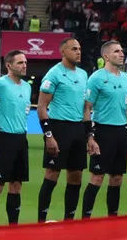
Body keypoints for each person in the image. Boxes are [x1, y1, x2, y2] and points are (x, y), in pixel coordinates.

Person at [36, 37, 88, 222]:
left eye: (79, 48)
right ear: (63, 52)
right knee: (52, 174)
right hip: (59, 128)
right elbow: (42, 107)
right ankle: (41, 220)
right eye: (74, 48)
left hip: (78, 129)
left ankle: (69, 221)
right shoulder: (53, 74)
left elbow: (85, 108)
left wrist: (89, 134)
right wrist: (48, 135)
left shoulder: (83, 75)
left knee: (76, 177)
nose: (78, 51)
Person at [82, 40, 127, 219]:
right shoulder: (96, 78)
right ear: (106, 56)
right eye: (116, 51)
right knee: (97, 178)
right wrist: (90, 136)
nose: (122, 54)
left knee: (117, 179)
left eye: (122, 51)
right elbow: (87, 108)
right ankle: (85, 219)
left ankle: (113, 218)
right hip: (102, 132)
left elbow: (126, 109)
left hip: (121, 132)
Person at [0, 50, 32, 225]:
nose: (24, 65)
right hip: (3, 139)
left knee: (17, 185)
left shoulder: (27, 87)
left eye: (25, 62)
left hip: (21, 139)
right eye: (20, 62)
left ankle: (13, 227)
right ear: (9, 65)